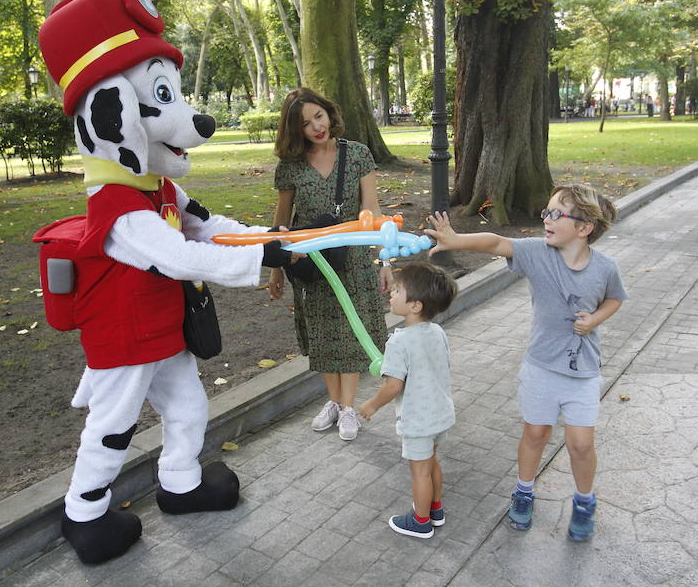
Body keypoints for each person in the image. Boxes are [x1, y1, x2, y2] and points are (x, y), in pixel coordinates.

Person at [424, 185, 628, 542]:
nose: (546, 220)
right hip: (540, 368)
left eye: (556, 214)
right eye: (546, 212)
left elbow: (614, 300)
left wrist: (595, 320)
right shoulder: (538, 253)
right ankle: (523, 491)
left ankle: (584, 501)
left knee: (581, 443)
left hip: (583, 373)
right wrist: (457, 240)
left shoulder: (606, 268)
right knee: (535, 433)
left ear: (584, 228)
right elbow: (496, 243)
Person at [269, 87, 392, 441]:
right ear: (296, 130)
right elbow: (281, 225)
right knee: (323, 332)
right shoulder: (290, 168)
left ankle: (349, 407)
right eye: (306, 124)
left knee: (351, 330)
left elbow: (373, 211)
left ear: (328, 111)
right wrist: (276, 269)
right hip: (311, 261)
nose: (316, 127)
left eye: (318, 116)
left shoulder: (357, 155)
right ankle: (335, 403)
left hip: (352, 258)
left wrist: (385, 260)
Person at [358, 262, 458, 539]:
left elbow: (393, 386)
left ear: (414, 305)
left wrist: (371, 405)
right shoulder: (437, 332)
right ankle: (435, 509)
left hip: (418, 420)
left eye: (398, 290)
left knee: (420, 472)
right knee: (432, 462)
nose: (391, 293)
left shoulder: (399, 343)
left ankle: (421, 521)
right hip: (440, 414)